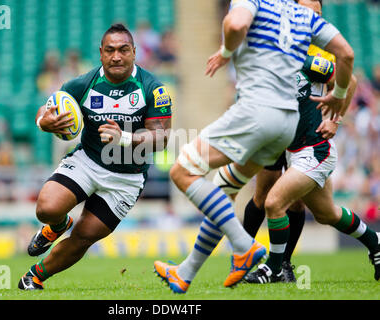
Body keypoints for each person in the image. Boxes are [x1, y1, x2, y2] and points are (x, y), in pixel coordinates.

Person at [154, 0, 354, 293]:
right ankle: (185, 272)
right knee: (225, 185)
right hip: (286, 124)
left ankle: (244, 246)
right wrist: (337, 96)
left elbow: (235, 24)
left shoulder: (254, 1)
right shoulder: (300, 14)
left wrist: (225, 51)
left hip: (257, 112)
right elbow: (346, 54)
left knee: (182, 171)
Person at [18, 23, 173, 290]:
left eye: (124, 50)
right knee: (47, 208)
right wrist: (43, 122)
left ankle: (35, 276)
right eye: (110, 50)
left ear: (134, 52)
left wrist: (124, 138)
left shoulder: (153, 89)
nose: (116, 56)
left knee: (83, 236)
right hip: (88, 162)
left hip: (127, 178)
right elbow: (48, 107)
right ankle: (56, 225)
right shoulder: (83, 83)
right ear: (101, 53)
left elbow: (161, 137)